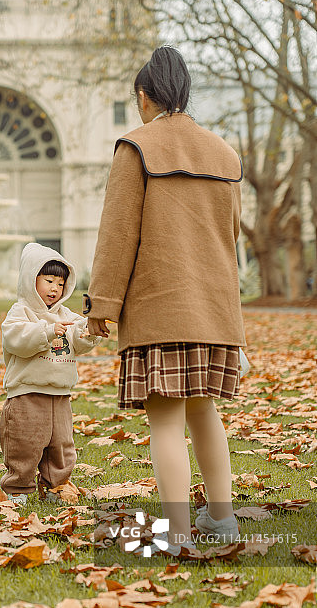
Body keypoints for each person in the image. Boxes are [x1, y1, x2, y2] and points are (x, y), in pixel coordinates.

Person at [85, 46, 246, 555]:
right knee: (205, 413)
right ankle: (223, 520)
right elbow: (230, 235)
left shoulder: (136, 147)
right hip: (215, 310)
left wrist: (101, 308)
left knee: (166, 422)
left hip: (161, 307)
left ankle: (175, 536)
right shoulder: (224, 152)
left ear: (144, 95)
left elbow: (117, 237)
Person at [0, 242, 101, 505]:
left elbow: (78, 337)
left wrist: (89, 333)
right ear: (30, 280)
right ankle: (18, 488)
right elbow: (15, 339)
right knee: (25, 443)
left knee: (61, 446)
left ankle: (56, 486)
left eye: (60, 283)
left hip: (60, 394)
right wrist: (46, 331)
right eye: (49, 281)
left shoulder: (65, 314)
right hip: (27, 394)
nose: (55, 288)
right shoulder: (20, 312)